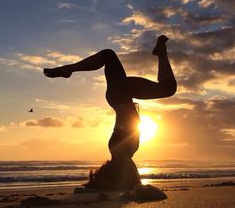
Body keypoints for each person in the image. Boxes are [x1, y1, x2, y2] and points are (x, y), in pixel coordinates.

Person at [44, 35, 177, 189]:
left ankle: (69, 69)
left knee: (167, 88)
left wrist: (133, 185)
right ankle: (69, 69)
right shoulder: (120, 154)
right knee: (108, 55)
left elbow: (137, 183)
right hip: (120, 96)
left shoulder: (119, 154)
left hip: (121, 95)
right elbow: (134, 180)